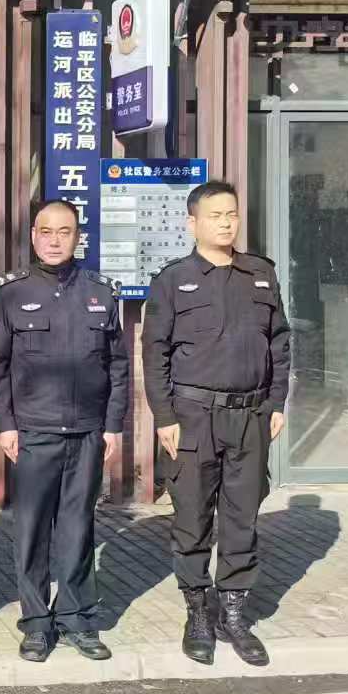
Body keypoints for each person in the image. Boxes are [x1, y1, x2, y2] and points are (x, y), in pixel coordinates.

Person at [142, 179, 291, 667]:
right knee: (192, 517)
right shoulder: (174, 279)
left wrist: (276, 402)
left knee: (242, 516)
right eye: (215, 216)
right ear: (193, 223)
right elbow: (154, 353)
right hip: (193, 417)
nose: (226, 223)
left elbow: (280, 343)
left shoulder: (261, 275)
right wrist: (164, 416)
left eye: (232, 214)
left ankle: (233, 613)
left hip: (250, 415)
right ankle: (197, 614)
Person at [0, 200, 129, 663]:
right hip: (33, 432)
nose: (54, 240)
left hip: (87, 431)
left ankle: (76, 618)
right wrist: (4, 424)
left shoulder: (101, 292)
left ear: (77, 237)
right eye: (45, 231)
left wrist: (113, 425)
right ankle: (35, 623)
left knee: (78, 527)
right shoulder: (10, 292)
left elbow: (118, 366)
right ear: (33, 236)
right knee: (31, 530)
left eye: (64, 231)